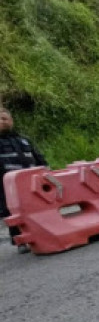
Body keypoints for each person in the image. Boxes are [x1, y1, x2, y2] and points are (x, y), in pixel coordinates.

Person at [0, 107, 48, 250]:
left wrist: (46, 170)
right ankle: (20, 241)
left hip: (31, 182)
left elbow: (39, 158)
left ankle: (42, 235)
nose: (2, 122)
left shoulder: (23, 140)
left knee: (38, 209)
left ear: (11, 121)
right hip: (7, 187)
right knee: (13, 212)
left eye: (4, 119)